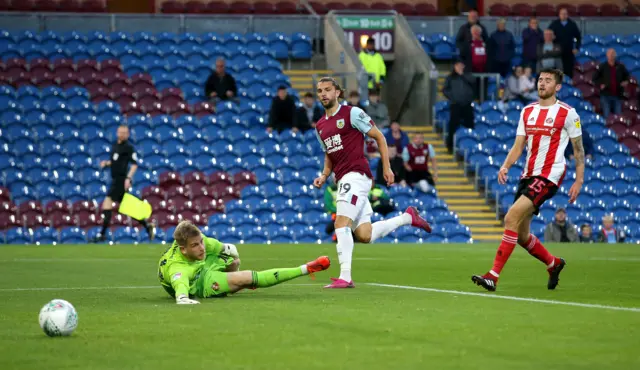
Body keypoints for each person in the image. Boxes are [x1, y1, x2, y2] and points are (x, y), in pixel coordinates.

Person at [312, 77, 432, 288]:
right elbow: (329, 155)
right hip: (343, 179)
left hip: (356, 174)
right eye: (320, 90)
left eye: (327, 90)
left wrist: (386, 167)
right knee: (364, 235)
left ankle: (345, 277)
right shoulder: (320, 125)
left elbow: (380, 137)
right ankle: (407, 218)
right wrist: (324, 174)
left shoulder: (352, 113)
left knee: (341, 223)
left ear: (337, 92)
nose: (323, 94)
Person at [472, 68, 584, 292]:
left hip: (549, 175)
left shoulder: (569, 113)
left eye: (548, 80)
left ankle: (493, 275)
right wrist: (505, 166)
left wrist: (578, 180)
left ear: (558, 87)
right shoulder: (527, 111)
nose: (542, 83)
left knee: (511, 216)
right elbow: (518, 145)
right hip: (528, 175)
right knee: (522, 234)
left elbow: (578, 151)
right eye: (540, 79)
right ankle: (553, 264)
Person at [158, 220, 330, 304]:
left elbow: (229, 249)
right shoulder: (177, 268)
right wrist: (182, 298)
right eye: (195, 245)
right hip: (198, 281)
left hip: (201, 264)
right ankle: (306, 268)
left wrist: (233, 261)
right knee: (245, 278)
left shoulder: (202, 243)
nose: (201, 247)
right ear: (183, 249)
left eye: (201, 241)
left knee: (234, 260)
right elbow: (181, 291)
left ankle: (232, 281)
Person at [93, 125, 155, 242]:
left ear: (128, 134)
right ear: (117, 133)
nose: (122, 134)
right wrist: (106, 163)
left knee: (107, 203)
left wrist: (128, 178)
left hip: (120, 181)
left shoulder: (128, 148)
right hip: (115, 179)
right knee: (129, 208)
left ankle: (102, 234)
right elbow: (116, 162)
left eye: (125, 133)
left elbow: (134, 164)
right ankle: (147, 226)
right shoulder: (115, 146)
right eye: (121, 132)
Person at [443, 60, 475, 153]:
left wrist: (462, 75)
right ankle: (450, 146)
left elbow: (473, 84)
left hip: (467, 104)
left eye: (461, 65)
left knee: (470, 125)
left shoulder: (468, 75)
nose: (459, 67)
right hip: (455, 104)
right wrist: (452, 97)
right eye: (457, 65)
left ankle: (470, 146)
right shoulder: (450, 77)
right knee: (453, 125)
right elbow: (445, 90)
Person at [593, 49, 630, 118]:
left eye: (613, 54)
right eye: (610, 54)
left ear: (615, 55)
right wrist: (601, 84)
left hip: (617, 95)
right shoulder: (603, 66)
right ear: (607, 55)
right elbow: (594, 79)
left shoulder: (620, 66)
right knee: (607, 115)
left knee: (618, 116)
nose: (611, 55)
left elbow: (627, 76)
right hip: (605, 95)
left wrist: (625, 82)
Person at [548, 7, 581, 78]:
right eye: (562, 14)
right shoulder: (554, 24)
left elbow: (578, 37)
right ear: (559, 15)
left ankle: (568, 87)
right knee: (557, 73)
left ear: (567, 15)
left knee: (568, 73)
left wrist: (577, 48)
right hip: (557, 53)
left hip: (569, 53)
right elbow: (547, 35)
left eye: (565, 14)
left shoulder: (572, 24)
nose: (563, 15)